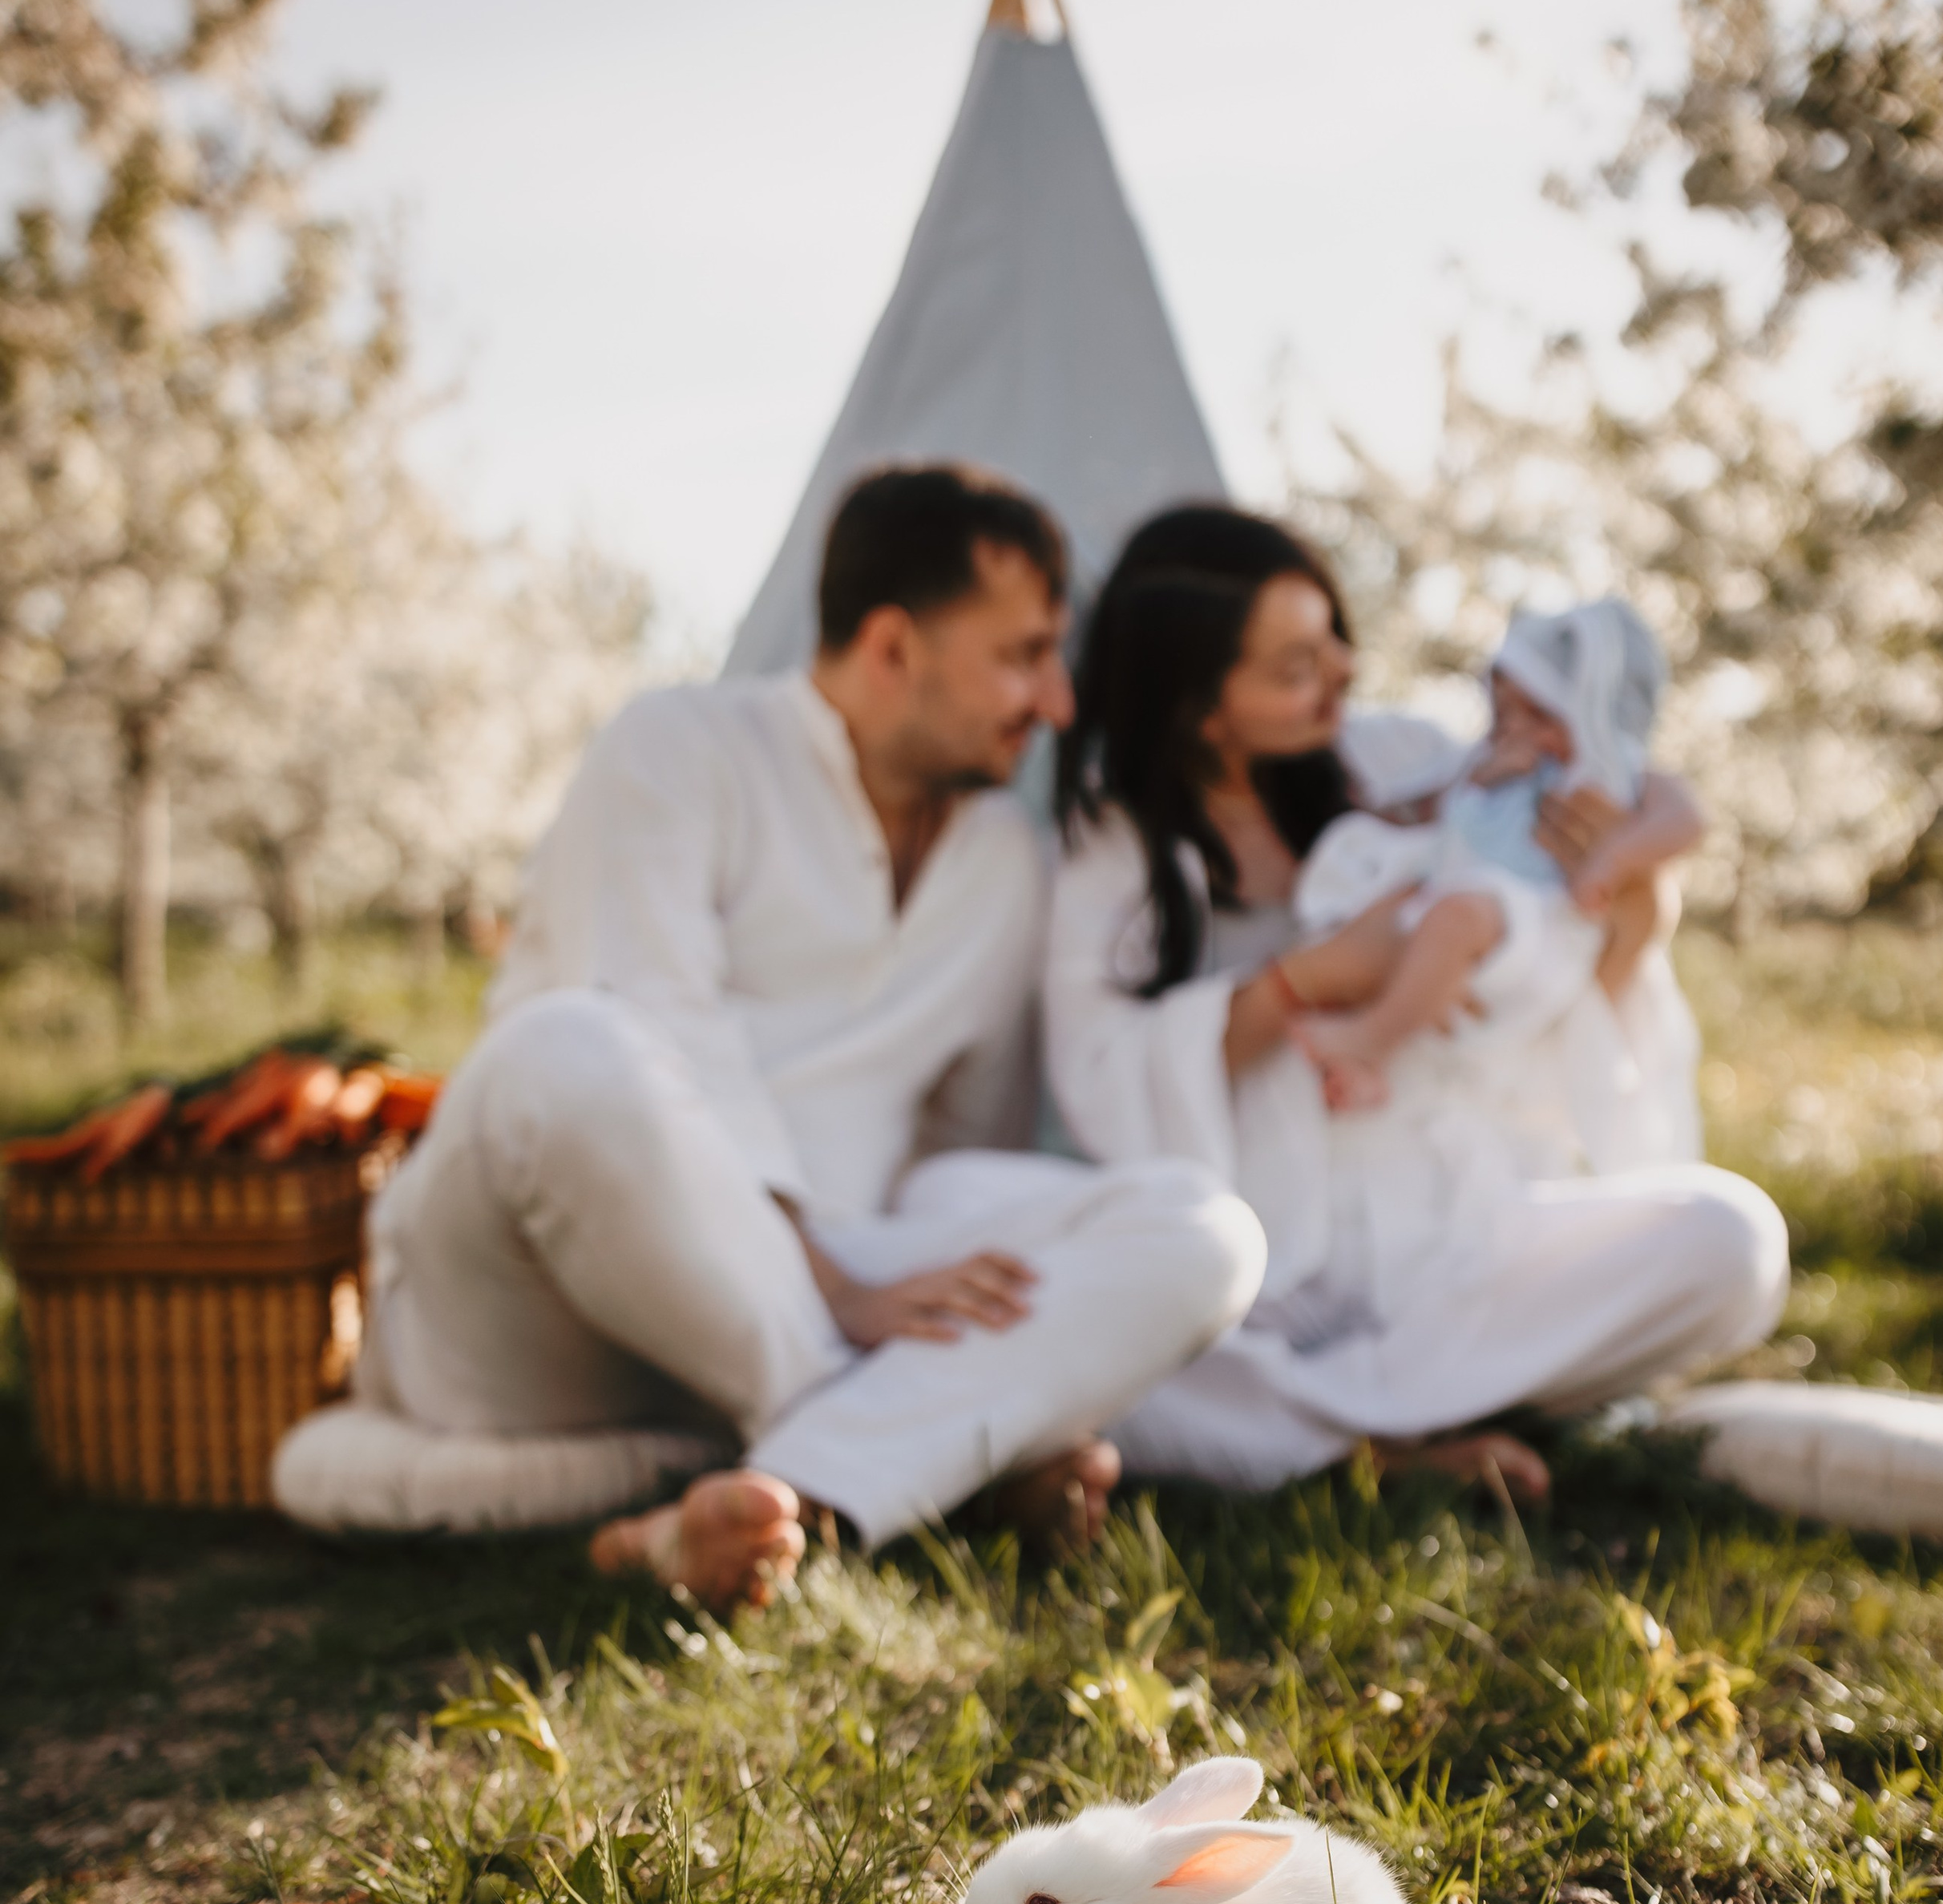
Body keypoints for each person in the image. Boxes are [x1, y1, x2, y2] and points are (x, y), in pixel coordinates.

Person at [354, 467, 1266, 1608]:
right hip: (543, 1320)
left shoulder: (1002, 863)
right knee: (568, 1048)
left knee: (1202, 1231)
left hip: (841, 1277)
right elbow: (657, 1030)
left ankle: (789, 1495)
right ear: (892, 649)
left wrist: (923, 1281)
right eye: (1021, 655)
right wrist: (834, 1289)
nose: (1057, 701)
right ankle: (939, 1462)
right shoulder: (679, 745)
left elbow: (953, 1152)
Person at [1043, 504, 1789, 1498]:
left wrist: (1631, 914)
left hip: (1453, 1233)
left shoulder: (1404, 760)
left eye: (1336, 638)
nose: (1345, 672)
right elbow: (1096, 1083)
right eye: (1296, 665)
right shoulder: (1110, 853)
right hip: (1260, 1280)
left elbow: (1572, 923)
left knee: (1729, 1242)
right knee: (1068, 1339)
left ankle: (1336, 1428)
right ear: (1198, 707)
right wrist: (1303, 983)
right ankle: (1379, 1444)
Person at [1286, 600, 1692, 1111]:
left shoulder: (1619, 772)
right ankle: (1365, 1070)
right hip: (1467, 903)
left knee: (1455, 919)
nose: (1516, 729)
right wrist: (1480, 779)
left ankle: (1369, 1039)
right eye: (1504, 711)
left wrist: (1610, 861)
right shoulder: (1488, 760)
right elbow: (1424, 810)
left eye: (1540, 715)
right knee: (1397, 925)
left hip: (1541, 915)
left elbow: (1684, 822)